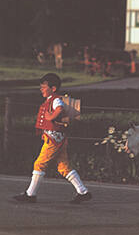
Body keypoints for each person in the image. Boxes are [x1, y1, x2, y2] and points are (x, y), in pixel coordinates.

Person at [13, 73, 92, 204]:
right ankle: (83, 192)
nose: (41, 89)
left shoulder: (55, 100)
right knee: (63, 166)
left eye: (44, 87)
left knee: (40, 164)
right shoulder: (50, 99)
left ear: (53, 88)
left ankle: (30, 194)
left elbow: (60, 108)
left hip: (53, 139)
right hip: (58, 138)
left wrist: (50, 117)